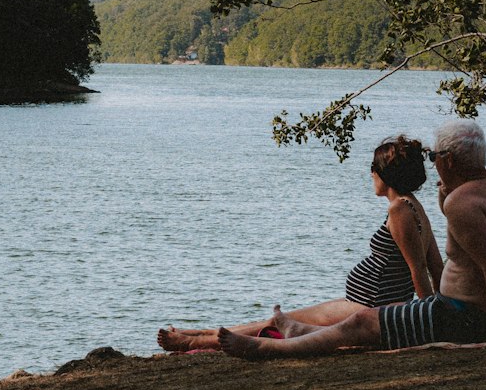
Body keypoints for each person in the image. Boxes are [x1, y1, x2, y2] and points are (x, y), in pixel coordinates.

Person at [217, 119, 486, 360]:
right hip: (480, 311)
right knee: (361, 323)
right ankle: (299, 331)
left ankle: (266, 350)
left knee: (361, 322)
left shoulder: (463, 204)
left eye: (433, 157)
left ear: (447, 160)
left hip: (465, 319)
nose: (432, 164)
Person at [158, 134, 443, 354]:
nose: (370, 174)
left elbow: (419, 269)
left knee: (276, 324)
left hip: (369, 303)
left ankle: (195, 341)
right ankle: (197, 334)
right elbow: (436, 265)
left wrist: (428, 319)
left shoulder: (400, 210)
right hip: (365, 299)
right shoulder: (415, 207)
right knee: (277, 321)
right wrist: (443, 306)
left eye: (373, 167)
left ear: (385, 173)